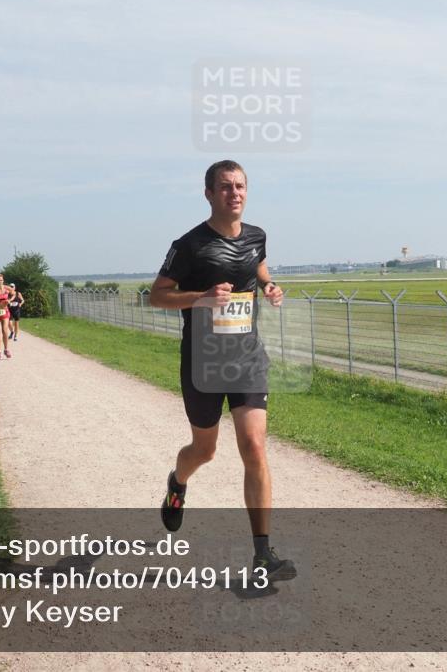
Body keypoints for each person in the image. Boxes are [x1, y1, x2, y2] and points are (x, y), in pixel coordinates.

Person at [149, 160, 294, 583]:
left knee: (254, 446)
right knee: (205, 451)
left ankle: (263, 555)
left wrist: (269, 286)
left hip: (247, 358)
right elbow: (157, 296)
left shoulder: (257, 236)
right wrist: (202, 298)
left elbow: (257, 267)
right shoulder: (190, 244)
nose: (235, 193)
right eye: (226, 186)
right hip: (203, 363)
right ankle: (178, 483)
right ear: (209, 193)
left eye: (241, 186)